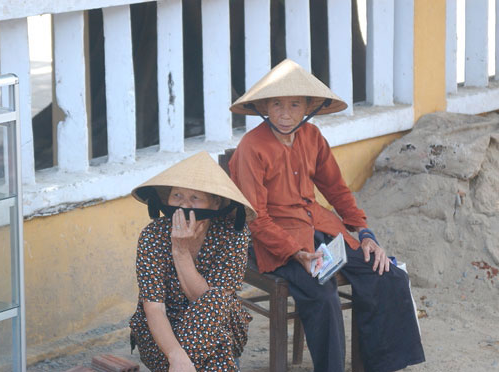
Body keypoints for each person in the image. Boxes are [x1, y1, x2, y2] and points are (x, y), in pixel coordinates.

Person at [228, 59, 425, 372]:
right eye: (276, 104)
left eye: (294, 104)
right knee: (323, 293)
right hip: (275, 241)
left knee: (387, 274)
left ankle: (382, 365)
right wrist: (297, 254)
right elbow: (255, 218)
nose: (284, 113)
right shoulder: (252, 147)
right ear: (264, 106)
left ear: (307, 107)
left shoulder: (312, 136)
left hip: (320, 228)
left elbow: (337, 191)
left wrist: (365, 234)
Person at [129, 151, 257, 372]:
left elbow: (208, 304)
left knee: (215, 297)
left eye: (195, 198)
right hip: (162, 340)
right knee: (216, 359)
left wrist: (180, 252)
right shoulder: (153, 235)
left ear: (215, 203)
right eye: (177, 195)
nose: (183, 205)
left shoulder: (233, 235)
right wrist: (177, 358)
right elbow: (154, 308)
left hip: (219, 327)